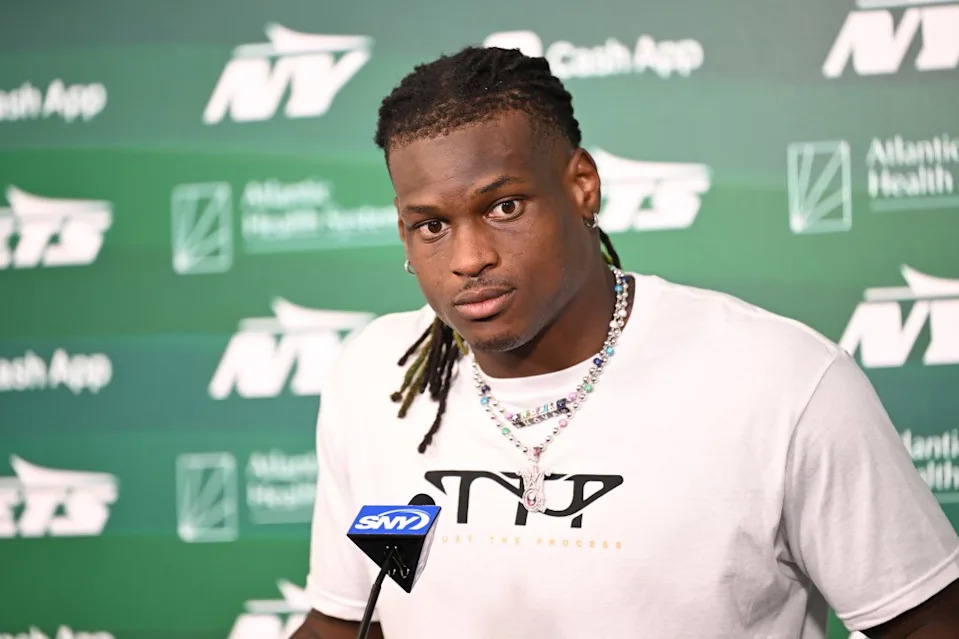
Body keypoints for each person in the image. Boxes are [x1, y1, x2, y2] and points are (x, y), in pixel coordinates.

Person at [292, 46, 959, 639]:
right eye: (430, 224)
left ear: (581, 185)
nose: (468, 257)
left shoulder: (780, 381)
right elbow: (346, 622)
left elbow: (925, 620)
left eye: (503, 207)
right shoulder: (373, 375)